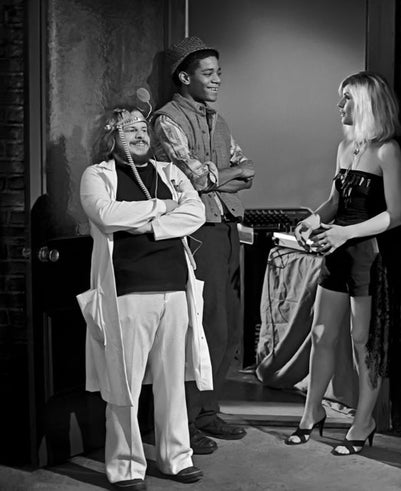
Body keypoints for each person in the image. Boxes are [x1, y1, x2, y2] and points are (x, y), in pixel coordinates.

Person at [78, 107, 210, 489]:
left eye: (142, 128)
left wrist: (147, 225)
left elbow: (196, 212)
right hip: (128, 292)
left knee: (172, 381)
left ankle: (176, 458)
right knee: (125, 384)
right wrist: (163, 208)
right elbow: (105, 214)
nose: (139, 134)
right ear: (111, 135)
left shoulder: (169, 172)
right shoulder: (98, 174)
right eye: (129, 129)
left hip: (175, 290)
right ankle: (125, 467)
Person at [285, 71, 401, 456]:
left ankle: (363, 422)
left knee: (362, 342)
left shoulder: (387, 150)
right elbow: (336, 202)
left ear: (367, 102)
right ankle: (311, 413)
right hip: (336, 252)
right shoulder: (345, 146)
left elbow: (396, 216)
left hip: (365, 257)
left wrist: (343, 233)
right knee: (321, 334)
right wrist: (314, 219)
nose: (339, 106)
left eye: (346, 99)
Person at [152, 36, 254, 454]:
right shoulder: (167, 120)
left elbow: (247, 170)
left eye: (218, 74)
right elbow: (192, 180)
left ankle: (208, 410)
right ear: (184, 76)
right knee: (201, 325)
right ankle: (186, 418)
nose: (216, 81)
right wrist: (222, 174)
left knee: (226, 324)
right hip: (197, 231)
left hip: (227, 225)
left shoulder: (218, 119)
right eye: (208, 74)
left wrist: (219, 174)